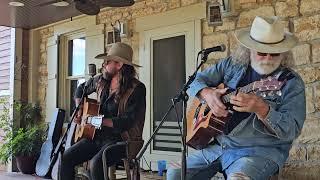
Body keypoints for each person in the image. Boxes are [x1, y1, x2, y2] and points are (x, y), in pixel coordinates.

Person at [167, 16, 306, 180]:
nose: (268, 58)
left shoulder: (291, 82)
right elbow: (193, 82)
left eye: (274, 54)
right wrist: (207, 94)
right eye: (262, 52)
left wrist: (263, 109)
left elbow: (292, 129)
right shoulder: (231, 65)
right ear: (250, 49)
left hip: (259, 151)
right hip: (220, 145)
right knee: (175, 173)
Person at [59, 42, 146, 180]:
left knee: (96, 163)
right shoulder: (101, 80)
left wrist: (96, 120)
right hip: (97, 137)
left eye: (107, 61)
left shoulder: (137, 89)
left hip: (123, 141)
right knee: (65, 158)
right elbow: (80, 89)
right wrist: (80, 109)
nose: (103, 65)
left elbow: (127, 121)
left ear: (119, 65)